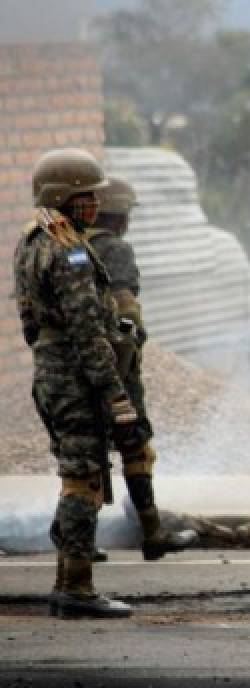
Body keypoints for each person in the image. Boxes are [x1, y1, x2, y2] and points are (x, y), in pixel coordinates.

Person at [13, 148, 135, 618]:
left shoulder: (33, 240)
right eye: (85, 198)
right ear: (61, 197)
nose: (94, 207)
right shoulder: (71, 252)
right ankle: (77, 590)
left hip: (51, 373)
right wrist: (113, 392)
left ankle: (69, 581)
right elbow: (88, 332)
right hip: (77, 378)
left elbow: (30, 320)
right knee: (83, 480)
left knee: (76, 475)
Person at [85, 176, 198, 561]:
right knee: (135, 447)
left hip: (76, 367)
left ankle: (79, 540)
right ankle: (151, 531)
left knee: (86, 453)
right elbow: (125, 311)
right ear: (118, 216)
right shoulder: (114, 248)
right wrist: (124, 367)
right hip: (115, 367)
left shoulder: (67, 246)